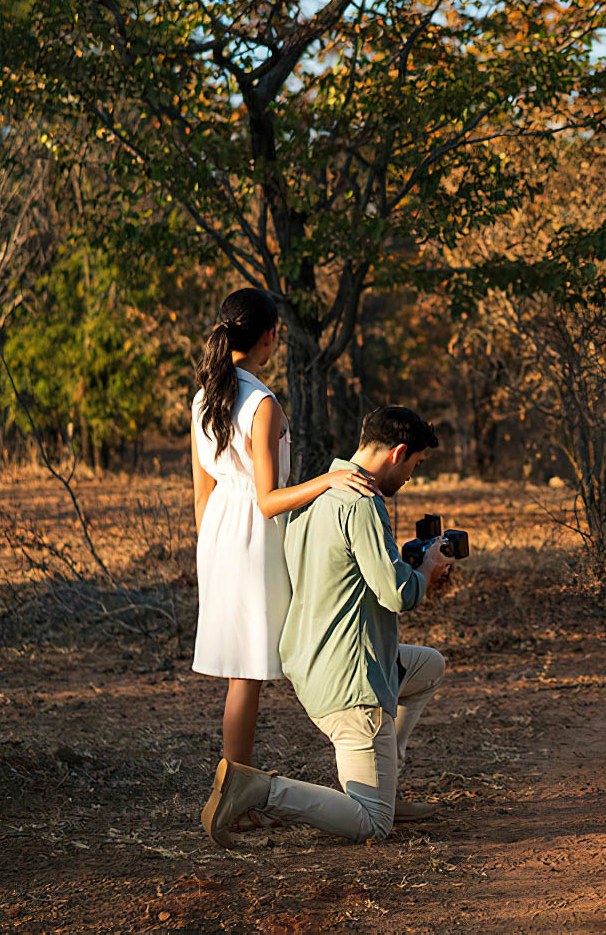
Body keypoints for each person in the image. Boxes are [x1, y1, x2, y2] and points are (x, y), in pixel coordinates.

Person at [201, 405, 454, 847]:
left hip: (313, 663)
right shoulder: (363, 503)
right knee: (373, 823)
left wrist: (408, 563)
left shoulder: (315, 491)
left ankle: (384, 782)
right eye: (414, 465)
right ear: (397, 453)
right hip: (353, 683)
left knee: (428, 666)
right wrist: (426, 572)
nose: (410, 477)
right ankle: (257, 790)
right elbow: (396, 594)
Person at [189, 287, 378, 833]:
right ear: (270, 334)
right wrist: (331, 478)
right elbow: (269, 499)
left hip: (219, 533)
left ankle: (236, 794)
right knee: (248, 674)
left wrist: (211, 551)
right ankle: (235, 799)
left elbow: (202, 490)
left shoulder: (205, 395)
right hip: (253, 535)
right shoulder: (262, 403)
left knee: (243, 673)